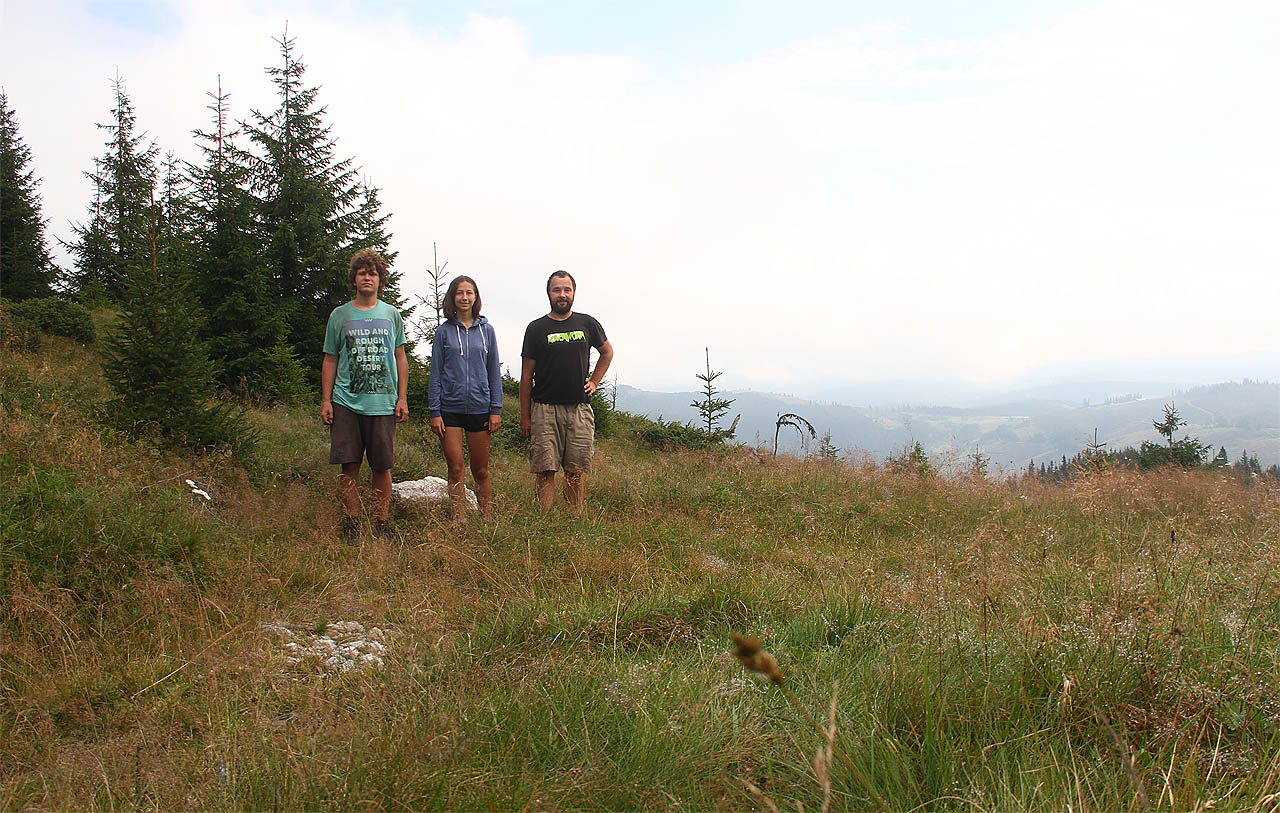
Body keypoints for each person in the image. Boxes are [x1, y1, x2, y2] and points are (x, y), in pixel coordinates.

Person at [320, 249, 408, 543]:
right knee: (350, 465)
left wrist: (402, 398)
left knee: (382, 466)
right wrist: (326, 400)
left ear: (381, 280)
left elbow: (400, 358)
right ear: (354, 279)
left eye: (373, 273)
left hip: (383, 403)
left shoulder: (391, 314)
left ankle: (382, 523)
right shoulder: (340, 315)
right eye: (362, 273)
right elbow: (330, 358)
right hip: (346, 401)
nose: (367, 277)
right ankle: (351, 523)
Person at [520, 270, 614, 514]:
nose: (562, 295)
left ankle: (573, 519)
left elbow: (607, 352)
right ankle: (545, 520)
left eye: (566, 290)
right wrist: (525, 416)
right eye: (556, 290)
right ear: (549, 293)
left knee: (576, 469)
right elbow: (526, 375)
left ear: (573, 292)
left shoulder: (587, 323)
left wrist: (594, 381)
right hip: (543, 408)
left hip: (578, 408)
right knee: (545, 469)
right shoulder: (536, 328)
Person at [428, 275, 502, 521]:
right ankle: (459, 519)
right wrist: (434, 412)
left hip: (481, 408)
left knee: (480, 470)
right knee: (456, 468)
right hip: (450, 410)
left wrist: (496, 409)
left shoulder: (487, 331)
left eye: (469, 292)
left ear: (475, 297)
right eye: (460, 292)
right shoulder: (443, 332)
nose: (464, 297)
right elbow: (435, 373)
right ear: (453, 297)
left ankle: (487, 517)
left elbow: (494, 372)